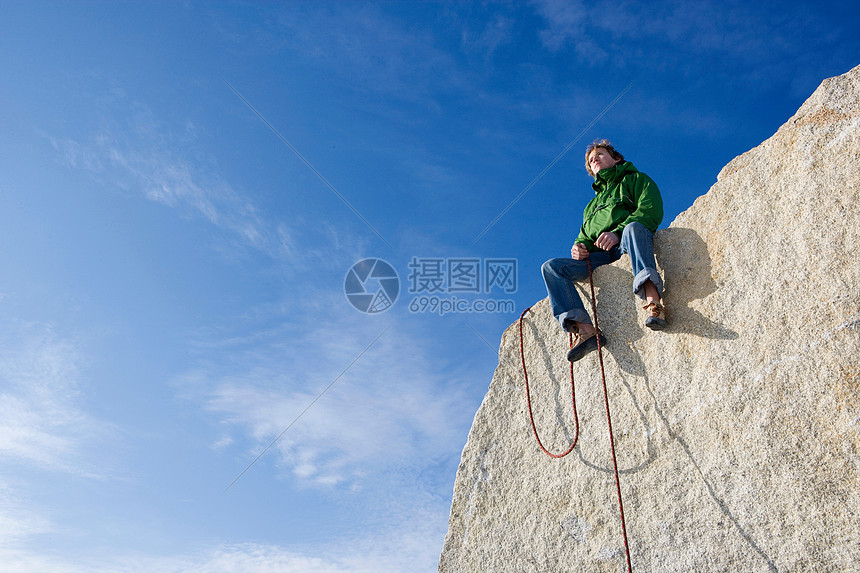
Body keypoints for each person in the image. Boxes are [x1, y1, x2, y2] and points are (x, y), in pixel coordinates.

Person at [542, 139, 666, 362]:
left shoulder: (635, 179)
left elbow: (651, 209)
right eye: (591, 160)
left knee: (633, 228)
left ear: (616, 158)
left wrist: (618, 233)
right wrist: (578, 248)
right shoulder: (591, 206)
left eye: (599, 154)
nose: (595, 159)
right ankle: (585, 330)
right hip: (600, 256)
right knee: (551, 268)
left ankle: (654, 303)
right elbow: (583, 237)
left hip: (628, 243)